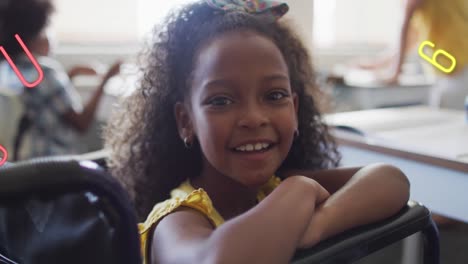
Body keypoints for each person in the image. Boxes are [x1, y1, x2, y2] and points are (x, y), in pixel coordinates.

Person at [103, 1, 411, 263]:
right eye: (221, 100)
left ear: (295, 107)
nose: (253, 118)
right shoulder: (175, 220)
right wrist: (299, 191)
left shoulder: (273, 189)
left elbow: (390, 179)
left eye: (274, 96)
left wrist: (320, 223)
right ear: (186, 121)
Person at [0, 0, 121, 159]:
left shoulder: (7, 68)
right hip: (53, 165)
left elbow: (40, 102)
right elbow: (81, 124)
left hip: (20, 165)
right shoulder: (46, 71)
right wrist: (106, 79)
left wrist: (70, 75)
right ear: (34, 34)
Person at [359, 0, 468, 110]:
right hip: (454, 68)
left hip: (456, 69)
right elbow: (412, 37)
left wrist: (395, 72)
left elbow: (406, 25)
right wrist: (380, 63)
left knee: (450, 117)